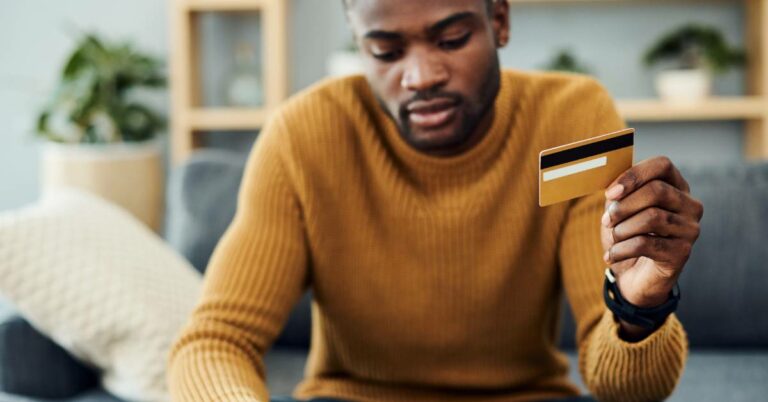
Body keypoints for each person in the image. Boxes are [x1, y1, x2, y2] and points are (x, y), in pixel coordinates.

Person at [167, 1, 704, 401]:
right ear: (358, 42)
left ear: (499, 21)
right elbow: (215, 342)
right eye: (385, 51)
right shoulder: (302, 136)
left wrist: (641, 308)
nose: (420, 77)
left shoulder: (572, 118)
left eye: (450, 40)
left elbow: (627, 390)